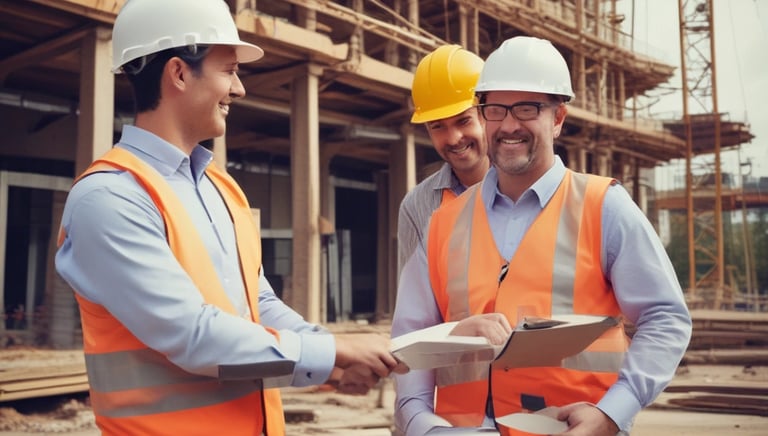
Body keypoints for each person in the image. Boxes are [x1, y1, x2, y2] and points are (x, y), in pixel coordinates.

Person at [54, 1, 403, 434]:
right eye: (229, 70)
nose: (239, 89)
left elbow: (259, 309)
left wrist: (334, 361)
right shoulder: (109, 198)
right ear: (179, 73)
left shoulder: (223, 190)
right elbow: (193, 335)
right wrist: (334, 351)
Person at [391, 36, 692, 436]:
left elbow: (665, 317)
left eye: (527, 108)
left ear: (558, 117)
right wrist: (422, 425)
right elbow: (410, 339)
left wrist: (611, 414)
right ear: (485, 115)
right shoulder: (441, 222)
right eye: (496, 109)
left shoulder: (605, 206)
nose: (510, 124)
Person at [397, 44, 489, 275]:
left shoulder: (530, 189)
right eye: (438, 126)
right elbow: (413, 304)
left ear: (488, 114)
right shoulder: (416, 206)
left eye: (463, 121)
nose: (454, 138)